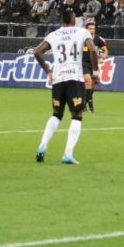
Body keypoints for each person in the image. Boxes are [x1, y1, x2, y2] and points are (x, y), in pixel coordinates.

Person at [33, 9, 98, 165]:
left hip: (58, 78)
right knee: (76, 116)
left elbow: (36, 52)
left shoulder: (53, 35)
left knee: (56, 114)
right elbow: (93, 50)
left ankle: (42, 146)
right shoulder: (82, 32)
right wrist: (95, 70)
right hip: (74, 78)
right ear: (73, 19)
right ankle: (67, 153)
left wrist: (49, 71)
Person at [82, 22, 108, 113]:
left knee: (93, 86)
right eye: (90, 29)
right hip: (83, 63)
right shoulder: (81, 39)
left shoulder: (98, 39)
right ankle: (91, 107)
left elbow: (105, 50)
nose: (92, 30)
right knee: (88, 81)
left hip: (94, 65)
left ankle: (83, 105)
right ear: (86, 30)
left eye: (93, 29)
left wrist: (102, 58)